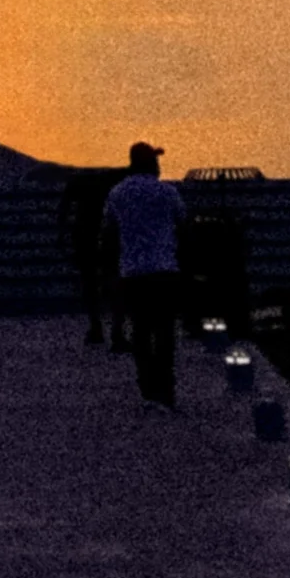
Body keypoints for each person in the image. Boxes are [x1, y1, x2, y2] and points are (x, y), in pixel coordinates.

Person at [102, 141, 186, 407]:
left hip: (133, 271)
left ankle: (148, 385)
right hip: (165, 270)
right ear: (150, 164)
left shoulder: (117, 194)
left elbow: (109, 231)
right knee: (165, 331)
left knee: (140, 330)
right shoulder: (167, 193)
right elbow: (184, 225)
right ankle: (166, 385)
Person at [55, 164, 128, 348]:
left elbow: (64, 208)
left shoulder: (80, 179)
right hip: (108, 233)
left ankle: (97, 327)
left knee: (90, 282)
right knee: (113, 281)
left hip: (85, 233)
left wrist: (61, 233)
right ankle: (116, 330)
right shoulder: (110, 177)